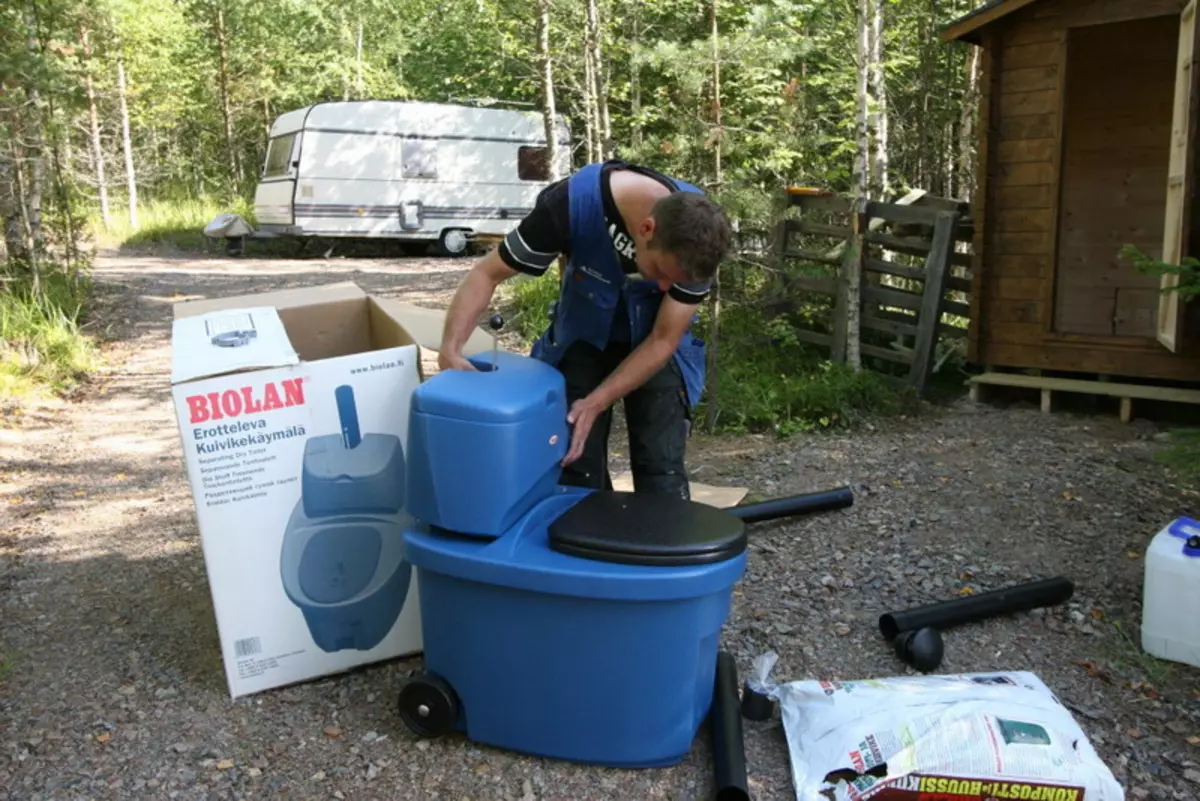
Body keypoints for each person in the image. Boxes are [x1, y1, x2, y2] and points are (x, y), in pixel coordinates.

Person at [437, 159, 732, 500]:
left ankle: (661, 546)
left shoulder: (699, 244)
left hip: (655, 343)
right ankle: (584, 546)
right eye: (661, 272)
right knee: (576, 461)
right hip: (583, 333)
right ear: (647, 229)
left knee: (660, 466)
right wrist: (451, 349)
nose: (666, 288)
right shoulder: (569, 206)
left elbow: (663, 339)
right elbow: (486, 273)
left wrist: (598, 402)